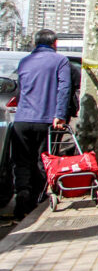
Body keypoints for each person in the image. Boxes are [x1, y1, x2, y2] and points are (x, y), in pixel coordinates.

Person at [9, 29, 70, 220]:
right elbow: (64, 88)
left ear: (35, 43)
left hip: (22, 119)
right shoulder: (61, 61)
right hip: (46, 120)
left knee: (21, 161)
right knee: (42, 160)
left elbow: (21, 89)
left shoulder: (24, 61)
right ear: (55, 43)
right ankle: (36, 200)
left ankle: (22, 194)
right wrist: (60, 115)